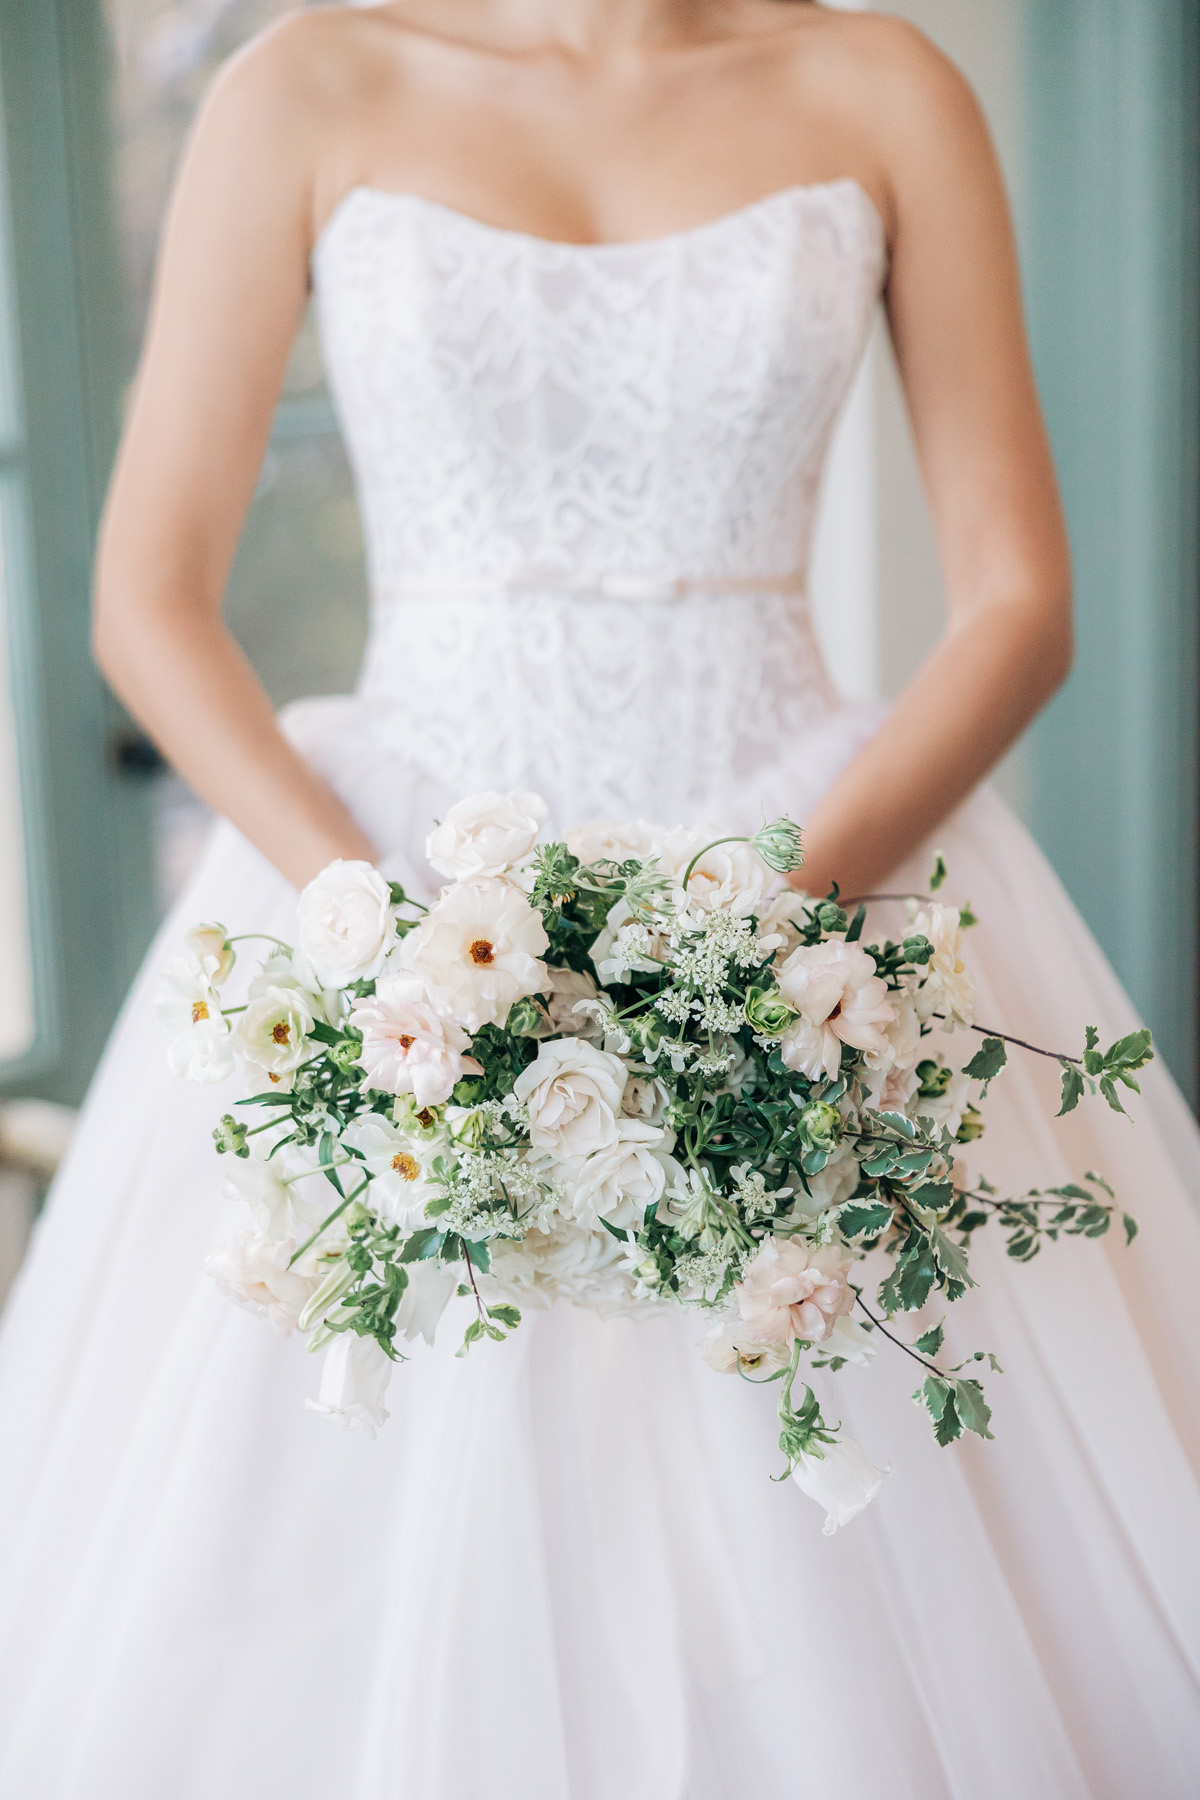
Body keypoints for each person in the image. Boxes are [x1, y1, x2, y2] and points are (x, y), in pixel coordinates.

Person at [1, 4, 1198, 1794]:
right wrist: (388, 944)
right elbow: (145, 605)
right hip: (404, 887)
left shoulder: (883, 85)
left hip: (815, 873)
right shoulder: (302, 86)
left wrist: (762, 941)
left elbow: (1018, 598)